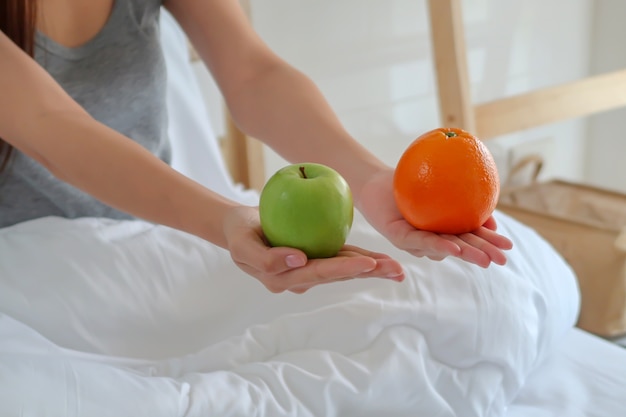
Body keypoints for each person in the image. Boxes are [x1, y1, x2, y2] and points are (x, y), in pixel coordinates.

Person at [0, 0, 512, 294]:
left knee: (472, 304)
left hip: (146, 246)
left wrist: (370, 177)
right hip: (25, 273)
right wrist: (225, 220)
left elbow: (252, 73)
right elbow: (51, 126)